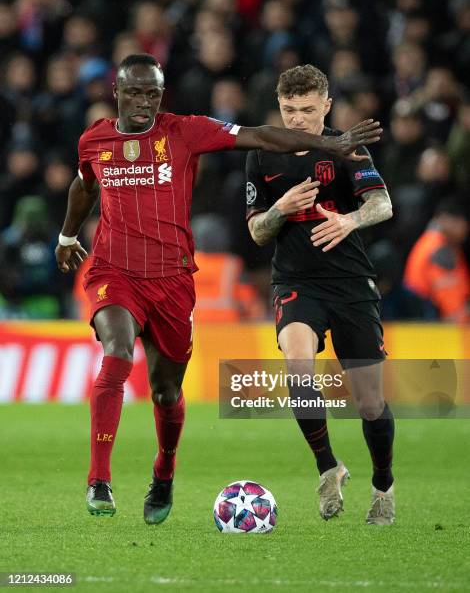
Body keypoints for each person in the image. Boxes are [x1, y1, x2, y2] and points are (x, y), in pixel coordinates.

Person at [55, 54, 381, 524]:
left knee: (167, 392)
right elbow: (84, 186)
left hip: (171, 281)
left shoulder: (185, 130)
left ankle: (163, 472)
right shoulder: (94, 139)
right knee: (118, 352)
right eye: (136, 92)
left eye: (154, 93)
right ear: (118, 92)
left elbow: (259, 135)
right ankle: (99, 480)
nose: (145, 102)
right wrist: (68, 235)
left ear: (161, 95)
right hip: (114, 271)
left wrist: (331, 145)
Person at [246, 64, 395, 525]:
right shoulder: (262, 154)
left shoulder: (348, 148)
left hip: (350, 283)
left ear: (326, 106)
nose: (297, 120)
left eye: (308, 110)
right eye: (289, 110)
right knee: (297, 363)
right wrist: (279, 209)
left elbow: (382, 203)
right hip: (296, 282)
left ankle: (383, 487)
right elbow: (256, 232)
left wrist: (348, 220)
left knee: (369, 403)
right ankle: (328, 467)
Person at [404, 199, 470, 323]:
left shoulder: (430, 241)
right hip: (435, 326)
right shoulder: (441, 250)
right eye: (462, 223)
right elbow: (452, 308)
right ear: (445, 220)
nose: (465, 229)